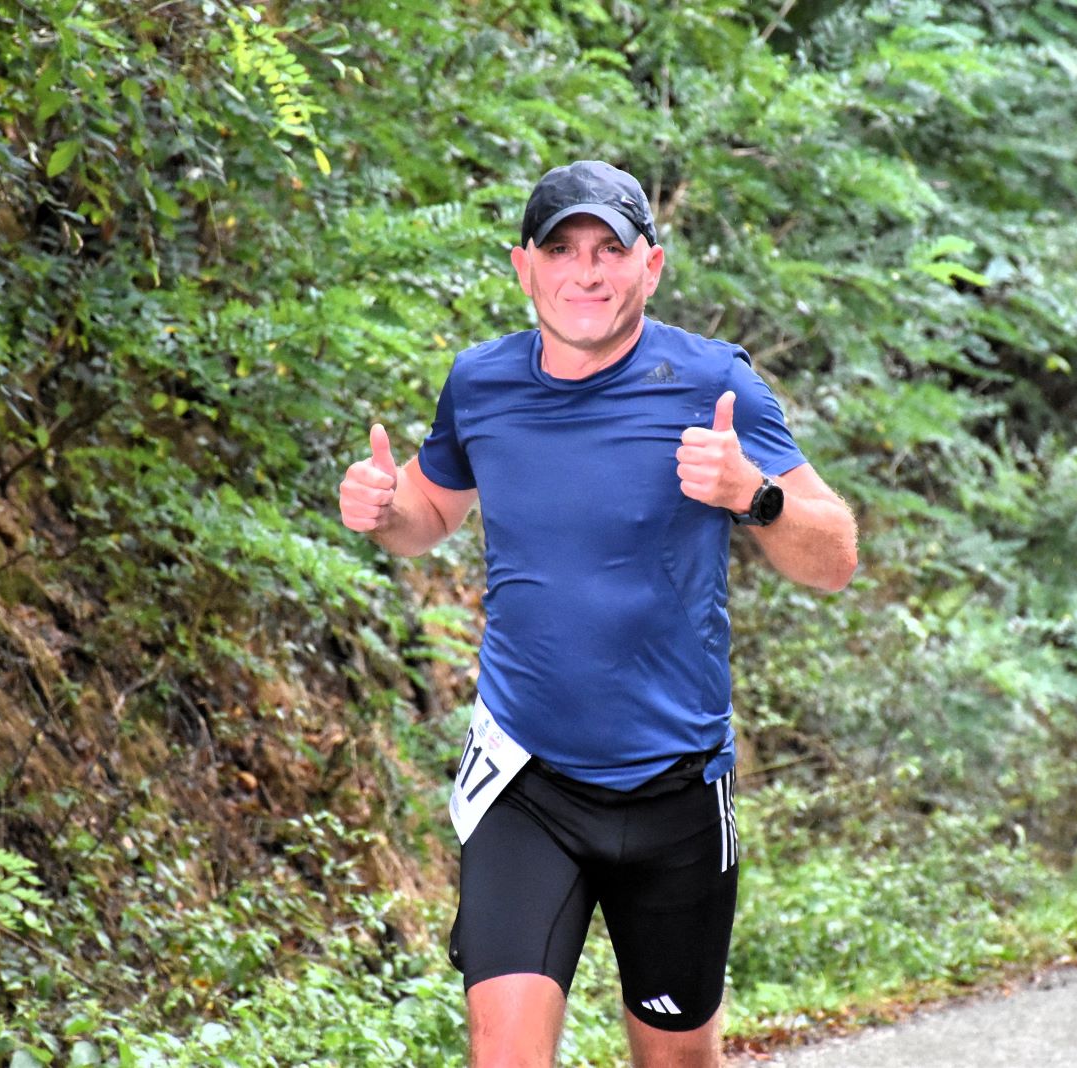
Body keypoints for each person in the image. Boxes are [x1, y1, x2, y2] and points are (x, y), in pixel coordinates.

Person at [338, 160, 857, 1068]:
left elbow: (837, 556)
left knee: (676, 1059)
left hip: (677, 788)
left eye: (610, 250)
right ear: (524, 267)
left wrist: (756, 494)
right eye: (562, 249)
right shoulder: (481, 383)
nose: (586, 271)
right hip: (526, 780)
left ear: (650, 267)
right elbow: (430, 514)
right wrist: (384, 510)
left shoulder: (713, 383)